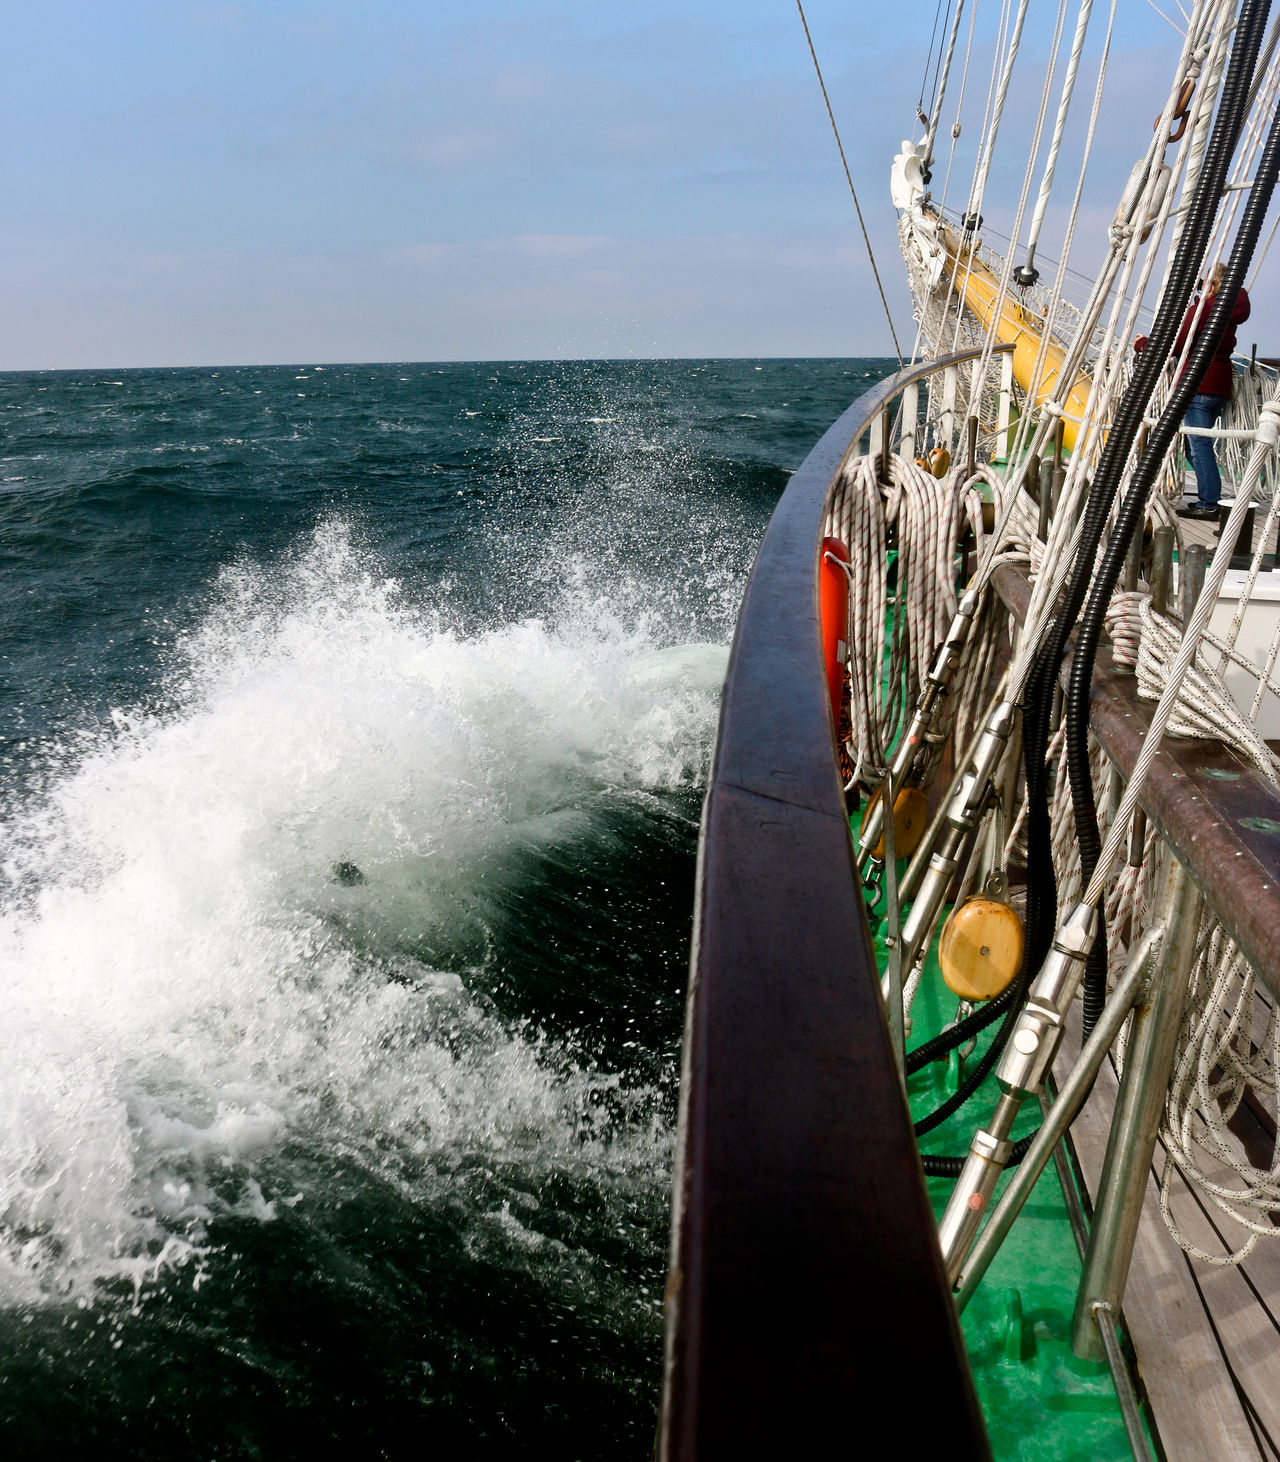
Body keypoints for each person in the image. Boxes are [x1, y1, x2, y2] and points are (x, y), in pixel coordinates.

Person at [1133, 263, 1251, 521]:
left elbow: (1177, 343)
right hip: (1218, 386)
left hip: (1199, 384)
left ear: (1212, 283)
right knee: (1195, 445)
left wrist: (1143, 343)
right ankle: (1209, 497)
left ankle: (1210, 504)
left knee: (1199, 446)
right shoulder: (1231, 310)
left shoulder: (1204, 309)